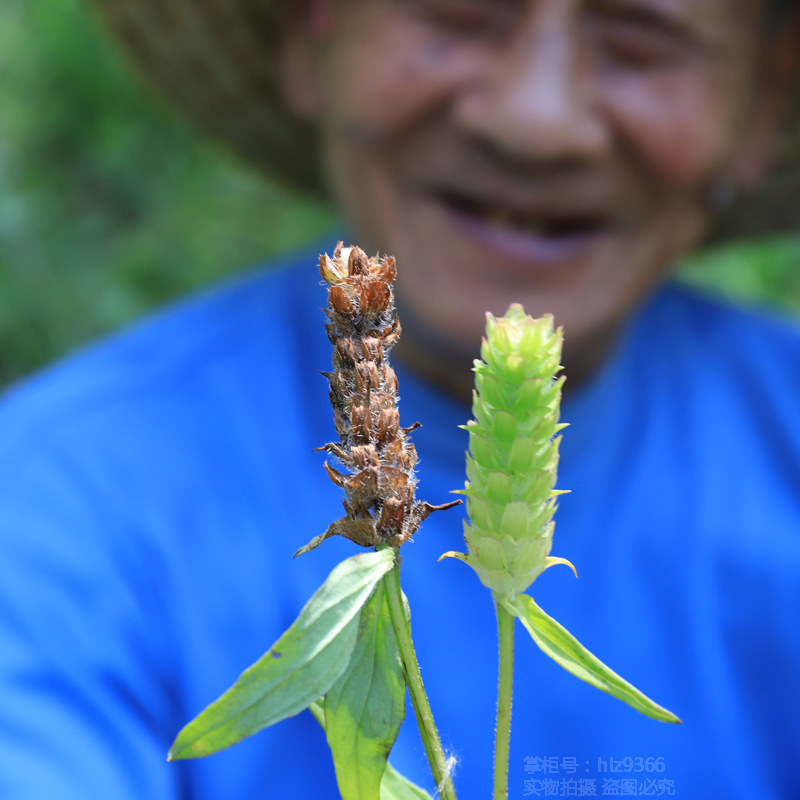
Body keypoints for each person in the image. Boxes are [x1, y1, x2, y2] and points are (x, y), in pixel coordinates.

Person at [0, 0, 799, 797]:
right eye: (456, 12)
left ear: (764, 99)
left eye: (641, 38)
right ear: (314, 29)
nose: (534, 120)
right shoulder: (51, 503)